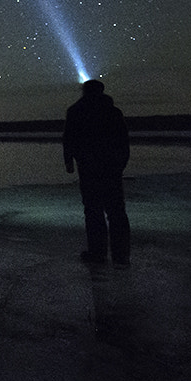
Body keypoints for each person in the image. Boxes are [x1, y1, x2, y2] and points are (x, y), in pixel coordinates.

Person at [63, 79, 130, 266]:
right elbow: (123, 142)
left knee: (94, 211)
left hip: (89, 169)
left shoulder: (76, 111)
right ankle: (121, 254)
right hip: (110, 169)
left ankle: (98, 253)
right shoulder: (113, 112)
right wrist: (120, 164)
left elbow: (68, 139)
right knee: (116, 211)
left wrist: (70, 162)